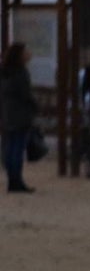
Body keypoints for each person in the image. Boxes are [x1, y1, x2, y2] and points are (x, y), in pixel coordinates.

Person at [0, 42, 37, 194]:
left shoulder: (4, 72)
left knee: (10, 147)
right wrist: (35, 106)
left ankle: (12, 179)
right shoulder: (21, 73)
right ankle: (17, 181)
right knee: (18, 148)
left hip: (8, 113)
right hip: (21, 115)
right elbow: (26, 95)